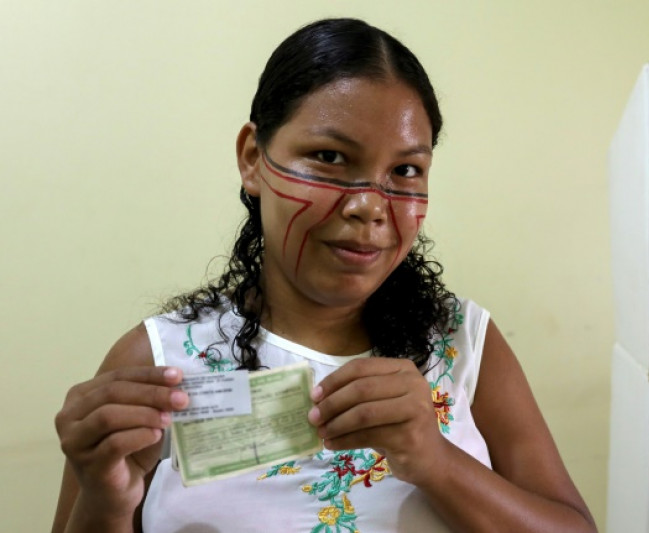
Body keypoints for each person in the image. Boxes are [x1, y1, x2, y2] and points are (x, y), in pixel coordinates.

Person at [52, 18, 596, 533]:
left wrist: (435, 461)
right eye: (330, 157)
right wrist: (105, 498)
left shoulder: (463, 343)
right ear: (252, 158)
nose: (369, 205)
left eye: (405, 170)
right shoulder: (158, 364)